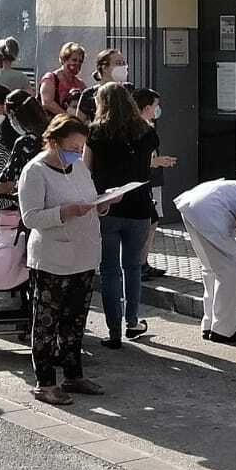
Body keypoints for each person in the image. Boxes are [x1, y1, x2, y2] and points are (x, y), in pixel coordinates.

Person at [18, 114, 111, 405]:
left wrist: (103, 204)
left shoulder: (79, 166)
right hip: (52, 258)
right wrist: (64, 212)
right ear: (54, 142)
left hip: (83, 255)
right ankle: (45, 382)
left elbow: (89, 200)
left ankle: (73, 375)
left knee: (75, 320)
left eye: (81, 146)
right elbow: (30, 217)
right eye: (72, 146)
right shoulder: (35, 171)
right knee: (47, 321)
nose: (77, 152)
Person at [86, 82, 158, 347]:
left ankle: (113, 330)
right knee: (133, 267)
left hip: (106, 207)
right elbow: (148, 163)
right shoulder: (146, 132)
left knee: (109, 270)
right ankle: (132, 321)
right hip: (139, 206)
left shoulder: (95, 132)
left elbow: (86, 168)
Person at [174, 178, 236, 343]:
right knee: (231, 270)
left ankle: (209, 324)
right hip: (209, 210)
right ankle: (223, 330)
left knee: (211, 268)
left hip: (192, 203)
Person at [133, 87, 178, 280]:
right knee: (147, 222)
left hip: (148, 180)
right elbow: (139, 158)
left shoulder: (145, 125)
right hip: (140, 183)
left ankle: (142, 262)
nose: (157, 109)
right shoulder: (139, 128)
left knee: (151, 220)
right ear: (146, 106)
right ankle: (138, 263)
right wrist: (159, 162)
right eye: (155, 105)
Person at [0, 89, 49, 193]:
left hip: (34, 198)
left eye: (9, 117)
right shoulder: (54, 132)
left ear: (14, 115)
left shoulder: (25, 142)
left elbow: (7, 183)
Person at [79, 48, 131, 120]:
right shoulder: (89, 94)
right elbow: (78, 123)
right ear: (105, 68)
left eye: (124, 63)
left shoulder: (129, 90)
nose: (123, 67)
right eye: (118, 63)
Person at [40, 42, 87, 117]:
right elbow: (47, 103)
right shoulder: (50, 78)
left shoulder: (80, 84)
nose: (77, 63)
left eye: (80, 61)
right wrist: (68, 117)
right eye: (74, 60)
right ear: (64, 60)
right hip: (53, 125)